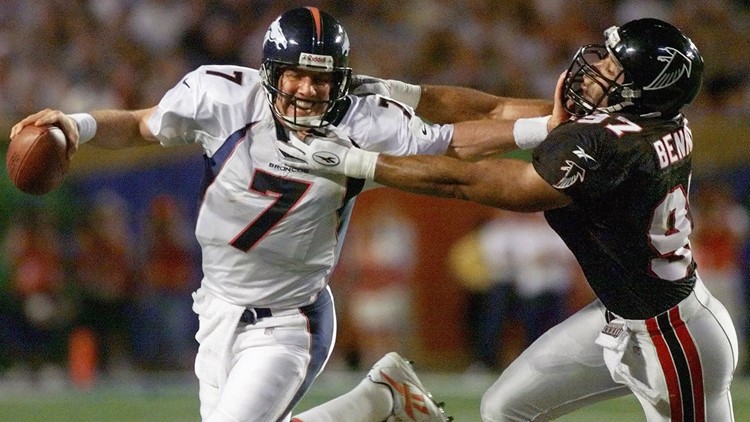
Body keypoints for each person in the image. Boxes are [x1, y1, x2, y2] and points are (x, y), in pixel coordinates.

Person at [11, 6, 556, 422]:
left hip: (289, 320)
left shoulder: (365, 122)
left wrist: (546, 129)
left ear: (340, 79)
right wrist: (75, 125)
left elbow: (456, 142)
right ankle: (378, 402)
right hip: (217, 308)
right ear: (270, 70)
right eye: (295, 75)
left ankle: (378, 402)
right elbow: (139, 124)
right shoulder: (222, 97)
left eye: (321, 78)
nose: (307, 90)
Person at [278, 18, 739, 421]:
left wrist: (361, 163)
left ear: (647, 87)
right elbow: (494, 109)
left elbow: (477, 184)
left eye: (615, 67)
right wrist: (403, 94)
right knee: (505, 408)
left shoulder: (613, 145)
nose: (598, 68)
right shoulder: (655, 122)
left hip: (676, 337)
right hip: (621, 319)